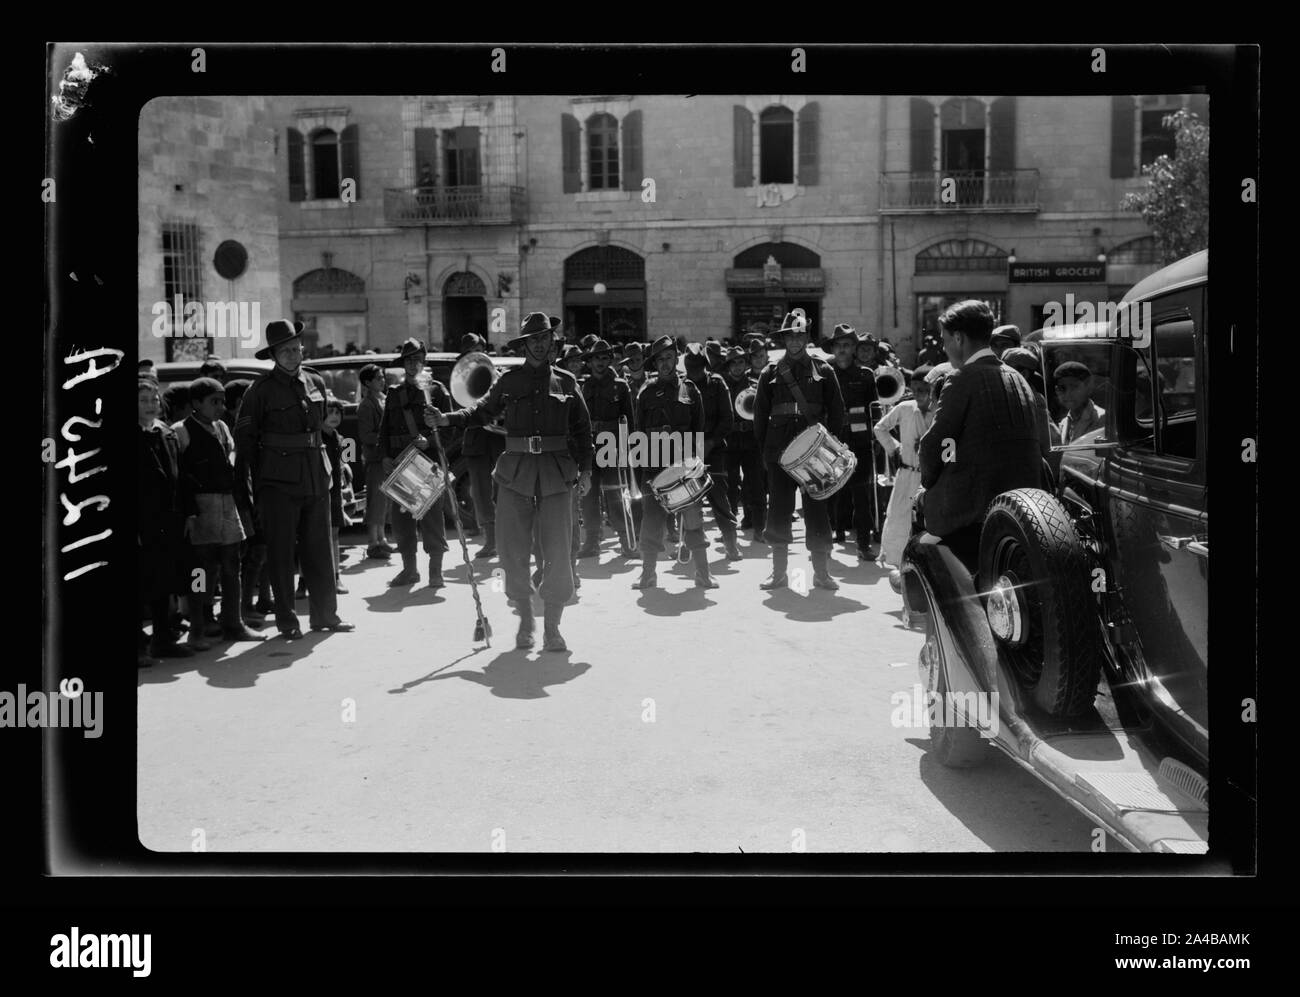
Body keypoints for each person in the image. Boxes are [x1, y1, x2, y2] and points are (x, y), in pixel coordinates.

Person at [431, 313, 593, 652]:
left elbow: (582, 431)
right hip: (516, 473)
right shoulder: (508, 381)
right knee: (512, 551)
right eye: (532, 339)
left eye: (543, 338)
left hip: (556, 473)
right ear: (524, 344)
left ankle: (552, 627)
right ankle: (525, 622)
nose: (538, 343)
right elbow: (480, 412)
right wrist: (447, 418)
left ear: (552, 341)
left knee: (558, 552)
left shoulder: (565, 382)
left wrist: (587, 471)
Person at [233, 320, 355, 639]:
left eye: (294, 348)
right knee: (282, 554)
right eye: (282, 350)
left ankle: (326, 615)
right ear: (272, 354)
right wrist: (255, 487)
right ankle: (287, 620)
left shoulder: (315, 380)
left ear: (302, 348)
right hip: (277, 483)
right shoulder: (259, 391)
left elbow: (322, 430)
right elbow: (245, 443)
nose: (290, 355)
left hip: (316, 475)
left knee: (319, 551)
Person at [918, 301, 1043, 551]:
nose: (944, 349)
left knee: (922, 547)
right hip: (1026, 508)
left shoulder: (961, 378)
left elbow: (939, 443)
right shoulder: (1018, 377)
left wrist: (928, 482)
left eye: (944, 341)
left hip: (974, 512)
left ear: (959, 338)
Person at [752, 312, 847, 591]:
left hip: (814, 453)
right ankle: (779, 572)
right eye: (790, 336)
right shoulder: (769, 373)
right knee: (779, 510)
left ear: (807, 338)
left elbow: (837, 412)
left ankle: (821, 572)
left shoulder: (824, 370)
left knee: (817, 511)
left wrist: (830, 448)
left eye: (800, 335)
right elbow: (759, 416)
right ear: (784, 339)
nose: (795, 341)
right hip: (779, 452)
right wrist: (765, 453)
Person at [176, 376, 267, 644]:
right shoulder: (181, 431)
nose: (219, 407)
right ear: (196, 403)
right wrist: (189, 512)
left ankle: (233, 622)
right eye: (213, 402)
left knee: (231, 564)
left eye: (222, 402)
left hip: (227, 504)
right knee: (201, 570)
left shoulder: (223, 428)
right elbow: (179, 477)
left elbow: (233, 463)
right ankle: (198, 625)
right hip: (201, 507)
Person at [630, 336, 716, 590]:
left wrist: (696, 463)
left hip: (685, 464)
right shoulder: (645, 393)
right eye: (660, 360)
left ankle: (703, 572)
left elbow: (698, 428)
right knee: (651, 522)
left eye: (669, 358)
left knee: (694, 520)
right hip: (654, 466)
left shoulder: (690, 389)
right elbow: (639, 433)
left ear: (676, 358)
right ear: (654, 363)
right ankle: (647, 574)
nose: (665, 364)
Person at [379, 338, 453, 589]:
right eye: (408, 360)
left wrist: (430, 441)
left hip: (428, 462)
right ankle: (410, 570)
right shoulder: (395, 393)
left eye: (417, 359)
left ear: (424, 361)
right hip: (401, 463)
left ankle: (435, 572)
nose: (412, 364)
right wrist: (385, 456)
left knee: (432, 518)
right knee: (402, 521)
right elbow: (385, 429)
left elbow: (451, 430)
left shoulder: (437, 391)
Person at [138, 374, 197, 665]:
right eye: (143, 400)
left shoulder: (165, 433)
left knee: (166, 580)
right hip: (142, 522)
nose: (151, 405)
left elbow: (181, 476)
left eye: (154, 400)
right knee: (140, 584)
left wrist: (188, 513)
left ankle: (163, 639)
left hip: (170, 520)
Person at [873, 365, 935, 590]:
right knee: (900, 521)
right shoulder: (905, 408)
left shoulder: (942, 412)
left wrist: (933, 449)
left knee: (928, 526)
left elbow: (952, 447)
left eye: (924, 390)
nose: (919, 395)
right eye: (915, 389)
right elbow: (880, 428)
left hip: (931, 480)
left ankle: (928, 574)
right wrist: (894, 449)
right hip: (906, 475)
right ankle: (903, 571)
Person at [577, 339, 636, 557]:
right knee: (589, 497)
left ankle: (626, 541)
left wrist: (628, 449)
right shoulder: (585, 386)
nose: (600, 362)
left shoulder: (620, 386)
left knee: (616, 495)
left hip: (613, 447)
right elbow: (580, 421)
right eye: (596, 359)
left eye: (604, 358)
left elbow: (630, 420)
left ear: (610, 360)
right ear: (590, 362)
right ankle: (592, 542)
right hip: (590, 448)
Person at [683, 344, 742, 561]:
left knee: (719, 498)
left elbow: (728, 419)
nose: (695, 370)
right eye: (691, 366)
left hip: (714, 449)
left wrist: (711, 442)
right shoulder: (682, 385)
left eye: (698, 366)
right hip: (688, 450)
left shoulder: (716, 384)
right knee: (688, 502)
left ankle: (731, 544)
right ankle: (687, 545)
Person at [826, 324, 880, 561]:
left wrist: (877, 437)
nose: (842, 350)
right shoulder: (824, 373)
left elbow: (875, 410)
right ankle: (832, 534)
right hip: (833, 442)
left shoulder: (866, 376)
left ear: (854, 349)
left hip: (860, 443)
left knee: (861, 495)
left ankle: (863, 544)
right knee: (831, 492)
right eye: (838, 345)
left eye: (847, 345)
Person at [455, 334, 505, 560]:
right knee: (480, 492)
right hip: (476, 439)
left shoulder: (499, 374)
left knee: (503, 489)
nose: (473, 356)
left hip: (498, 439)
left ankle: (509, 537)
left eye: (477, 350)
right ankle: (491, 540)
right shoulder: (459, 380)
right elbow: (459, 409)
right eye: (469, 353)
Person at [723, 346, 765, 543]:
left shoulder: (755, 385)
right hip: (730, 443)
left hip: (751, 442)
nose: (738, 366)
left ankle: (759, 529)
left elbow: (762, 412)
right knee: (730, 488)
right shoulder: (722, 386)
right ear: (728, 365)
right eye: (734, 362)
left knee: (756, 486)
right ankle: (729, 531)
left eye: (741, 362)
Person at [356, 363, 394, 561]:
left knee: (384, 501)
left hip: (385, 458)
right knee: (376, 501)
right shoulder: (366, 405)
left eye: (383, 377)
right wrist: (385, 438)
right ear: (368, 383)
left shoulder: (383, 399)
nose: (382, 381)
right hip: (375, 459)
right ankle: (373, 543)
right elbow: (366, 435)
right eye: (378, 378)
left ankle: (381, 539)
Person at [322, 397, 348, 594]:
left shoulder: (338, 438)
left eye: (337, 413)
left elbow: (342, 465)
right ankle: (304, 582)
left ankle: (336, 576)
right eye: (330, 412)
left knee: (334, 535)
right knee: (312, 538)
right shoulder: (316, 437)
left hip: (335, 494)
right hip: (318, 493)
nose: (334, 417)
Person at [1054, 360, 1106, 443]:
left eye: (1074, 387)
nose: (1068, 394)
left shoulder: (1102, 419)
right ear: (1056, 391)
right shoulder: (1064, 423)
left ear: (1088, 387)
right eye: (1062, 388)